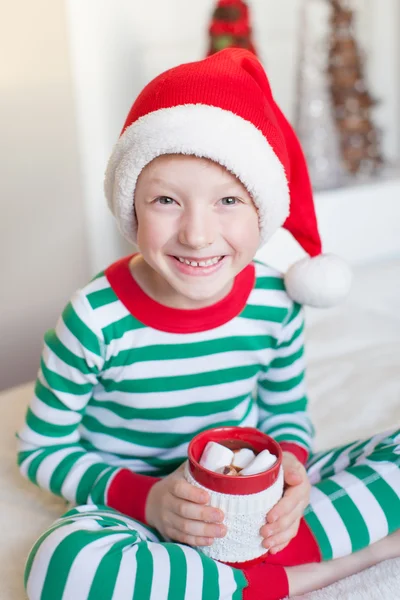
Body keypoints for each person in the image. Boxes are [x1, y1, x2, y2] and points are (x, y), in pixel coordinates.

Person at [17, 48, 399, 600]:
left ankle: (230, 571)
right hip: (142, 512)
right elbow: (40, 449)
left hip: (257, 503)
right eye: (167, 200)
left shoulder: (277, 301)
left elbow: (285, 413)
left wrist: (290, 471)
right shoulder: (95, 318)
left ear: (262, 214)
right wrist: (148, 501)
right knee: (64, 567)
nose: (197, 235)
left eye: (227, 200)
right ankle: (300, 573)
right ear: (132, 210)